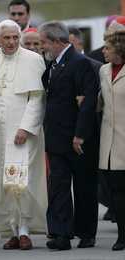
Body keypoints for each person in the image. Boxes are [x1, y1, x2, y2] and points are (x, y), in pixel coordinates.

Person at [0, 19, 47, 250]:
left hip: (24, 133)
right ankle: (12, 231)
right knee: (1, 182)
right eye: (7, 38)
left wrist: (26, 127)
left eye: (15, 37)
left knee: (22, 181)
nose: (12, 42)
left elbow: (37, 97)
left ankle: (25, 230)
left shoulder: (33, 60)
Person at [39, 21, 99, 250]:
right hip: (56, 137)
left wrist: (80, 135)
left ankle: (86, 232)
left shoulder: (80, 63)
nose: (42, 46)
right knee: (59, 186)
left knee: (84, 187)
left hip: (77, 138)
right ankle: (62, 234)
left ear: (57, 41)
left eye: (44, 42)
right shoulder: (53, 64)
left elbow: (88, 102)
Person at [98, 30, 125, 251]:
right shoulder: (103, 70)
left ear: (120, 49)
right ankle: (122, 235)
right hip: (109, 141)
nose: (103, 51)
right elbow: (102, 102)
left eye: (107, 47)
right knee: (115, 189)